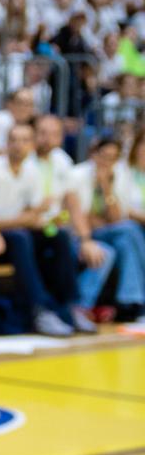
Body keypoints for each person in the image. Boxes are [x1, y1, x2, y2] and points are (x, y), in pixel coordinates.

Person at [0, 121, 86, 336]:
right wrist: (27, 217)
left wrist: (46, 221)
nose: (18, 145)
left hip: (21, 231)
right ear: (6, 143)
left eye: (24, 140)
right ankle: (39, 310)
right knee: (21, 237)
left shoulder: (31, 171)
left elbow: (36, 214)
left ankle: (69, 306)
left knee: (59, 236)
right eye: (14, 140)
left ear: (31, 144)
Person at [73, 135, 145, 318]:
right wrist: (88, 235)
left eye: (113, 158)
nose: (107, 162)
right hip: (79, 235)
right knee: (129, 231)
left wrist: (106, 187)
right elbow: (80, 216)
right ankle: (131, 301)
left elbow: (115, 218)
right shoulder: (78, 175)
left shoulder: (118, 177)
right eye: (104, 156)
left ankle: (130, 302)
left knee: (124, 242)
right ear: (93, 154)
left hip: (105, 233)